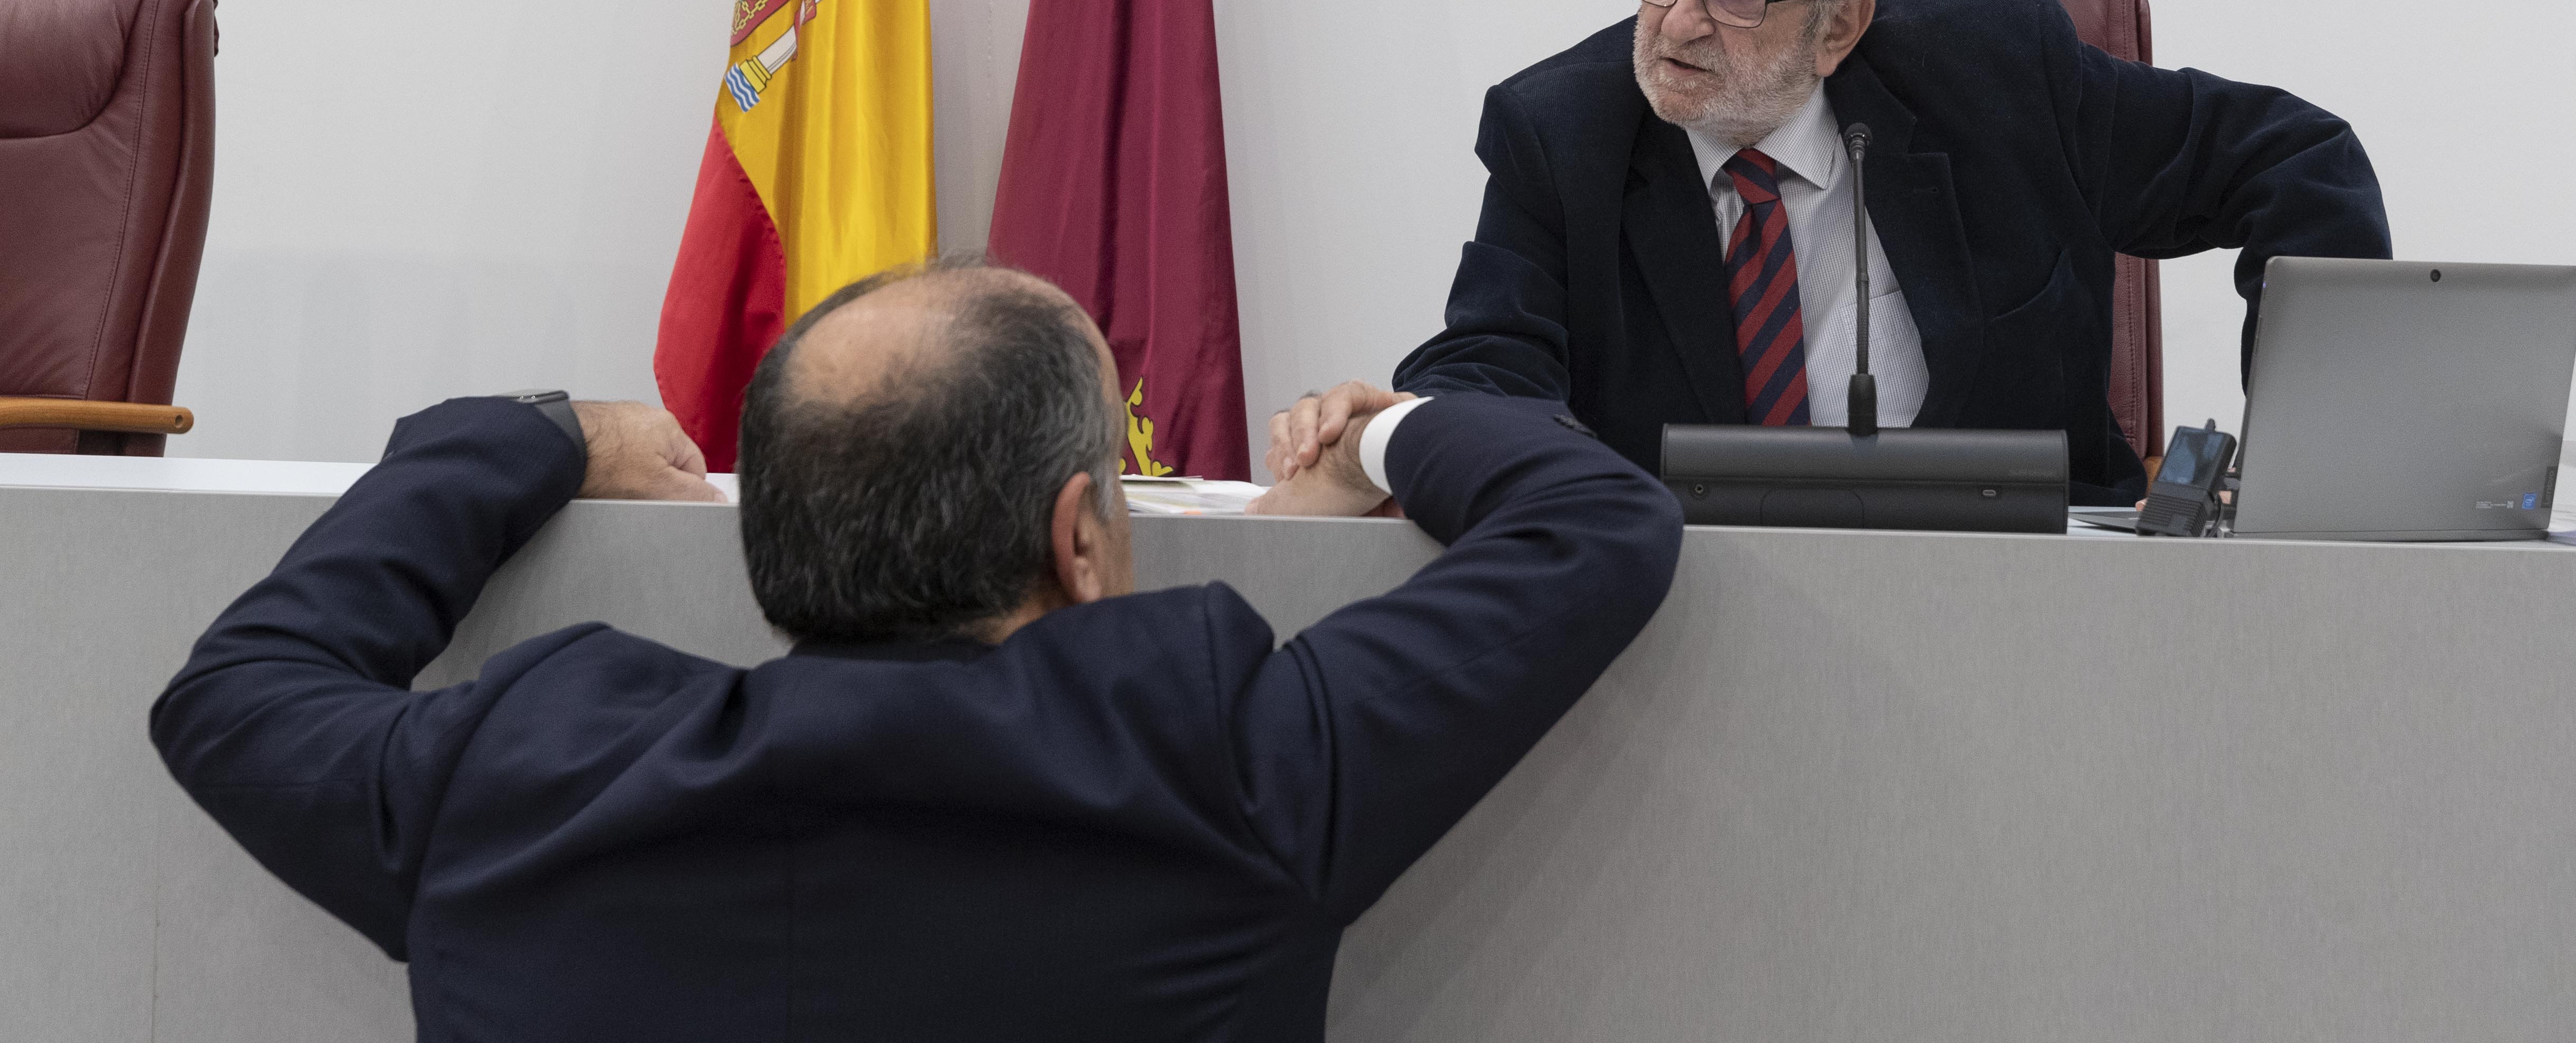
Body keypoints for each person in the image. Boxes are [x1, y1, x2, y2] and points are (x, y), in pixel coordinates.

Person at [150, 259, 1681, 1041]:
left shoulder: (520, 773)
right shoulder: (1220, 761)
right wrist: (1387, 429)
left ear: (768, 526)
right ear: (1080, 538)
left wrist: (531, 437)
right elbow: (1593, 523)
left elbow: (238, 694)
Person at [1269, 0, 2389, 505]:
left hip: (2026, 595)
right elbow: (1495, 359)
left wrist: (2313, 462)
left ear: (1841, 25)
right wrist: (1405, 425)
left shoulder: (2001, 81)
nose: (1677, 22)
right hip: (1694, 609)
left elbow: (2297, 161)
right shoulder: (1560, 131)